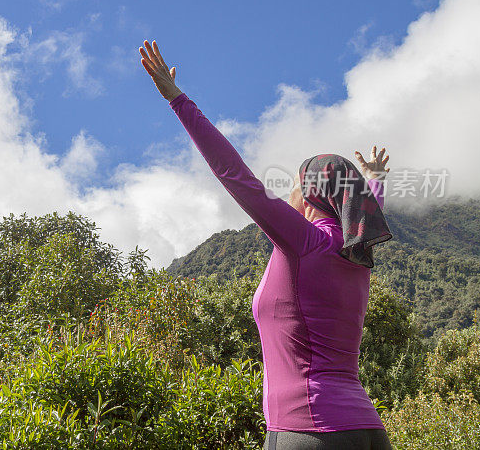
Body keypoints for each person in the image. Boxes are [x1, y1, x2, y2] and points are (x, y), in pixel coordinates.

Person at [139, 40, 394, 450]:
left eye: (295, 182)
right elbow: (364, 208)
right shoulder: (357, 251)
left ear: (310, 194)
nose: (288, 190)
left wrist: (178, 101)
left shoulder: (303, 241)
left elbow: (234, 174)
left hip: (309, 429)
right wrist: (373, 180)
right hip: (367, 431)